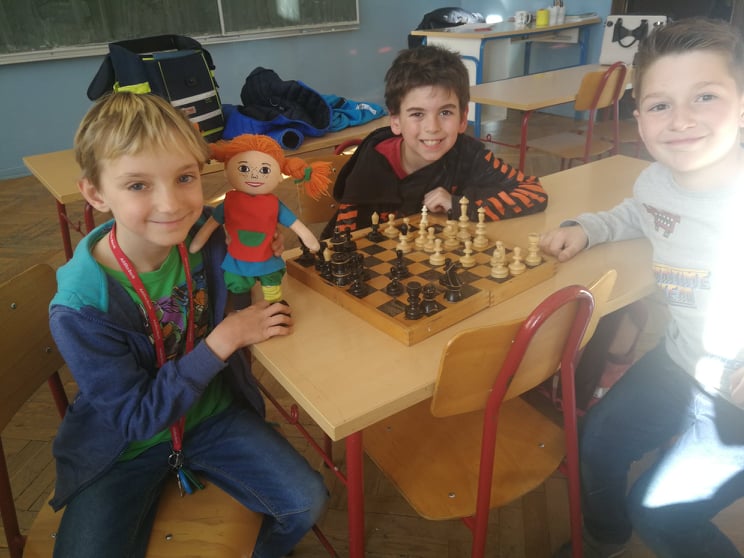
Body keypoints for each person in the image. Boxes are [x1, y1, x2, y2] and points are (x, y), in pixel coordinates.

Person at [47, 92, 328, 558]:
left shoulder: (206, 240)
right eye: (138, 185)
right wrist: (222, 341)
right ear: (95, 194)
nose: (171, 203)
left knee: (306, 502)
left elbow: (239, 292)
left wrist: (260, 251)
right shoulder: (81, 306)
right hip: (124, 448)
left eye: (184, 178)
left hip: (210, 416)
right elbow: (136, 418)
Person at [539, 18, 744, 558]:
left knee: (662, 519)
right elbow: (639, 211)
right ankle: (604, 537)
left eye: (705, 97)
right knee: (596, 443)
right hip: (682, 361)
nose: (681, 120)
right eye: (659, 105)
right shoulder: (655, 181)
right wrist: (588, 228)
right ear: (639, 120)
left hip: (737, 402)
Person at [321, 44, 548, 239]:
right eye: (417, 114)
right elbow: (343, 243)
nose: (432, 127)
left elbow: (533, 192)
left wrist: (458, 205)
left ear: (462, 118)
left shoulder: (468, 155)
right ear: (396, 121)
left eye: (445, 112)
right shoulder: (369, 171)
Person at [189, 134, 331, 305]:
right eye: (244, 168)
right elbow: (211, 225)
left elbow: (296, 225)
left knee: (270, 285)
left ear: (279, 175)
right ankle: (243, 305)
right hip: (239, 259)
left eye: (264, 170)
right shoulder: (229, 203)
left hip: (265, 258)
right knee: (240, 287)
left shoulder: (273, 204)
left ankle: (272, 303)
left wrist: (196, 243)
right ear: (227, 171)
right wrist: (197, 243)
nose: (254, 176)